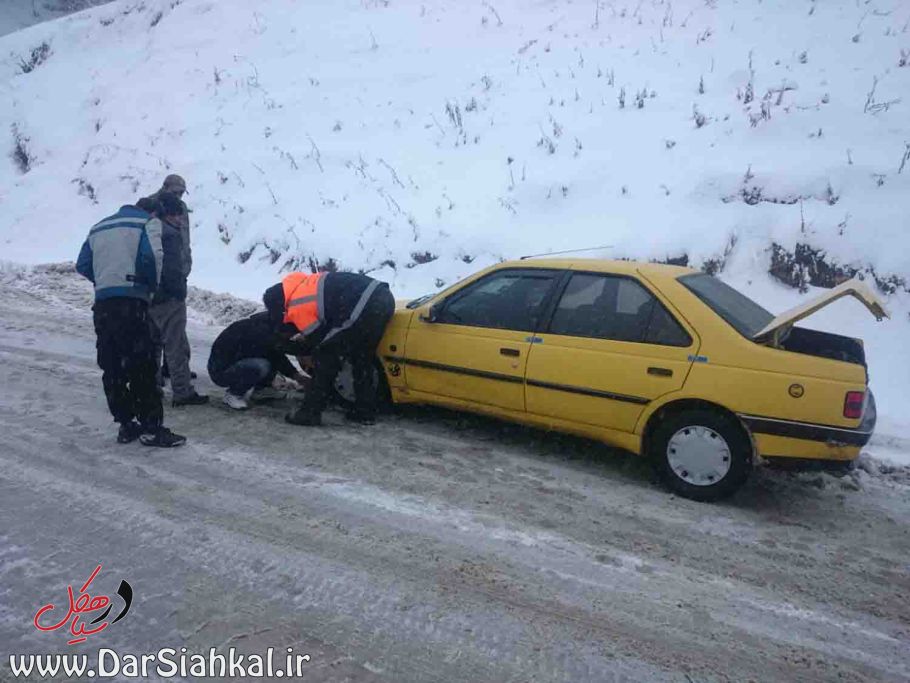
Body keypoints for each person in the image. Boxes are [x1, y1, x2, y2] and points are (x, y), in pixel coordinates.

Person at [75, 202, 187, 447]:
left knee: (112, 366)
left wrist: (106, 281)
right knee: (143, 365)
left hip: (104, 305)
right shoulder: (147, 223)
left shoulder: (98, 227)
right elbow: (152, 256)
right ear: (154, 212)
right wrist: (148, 287)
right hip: (133, 303)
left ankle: (126, 425)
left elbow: (82, 264)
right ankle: (151, 428)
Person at [264, 271, 395, 426]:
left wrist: (290, 346)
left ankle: (310, 412)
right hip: (382, 298)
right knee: (361, 356)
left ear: (278, 305)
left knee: (326, 356)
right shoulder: (304, 285)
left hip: (363, 304)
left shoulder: (297, 305)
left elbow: (318, 342)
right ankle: (364, 410)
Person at [145, 193, 208, 407]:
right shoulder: (170, 235)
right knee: (176, 345)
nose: (181, 220)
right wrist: (179, 290)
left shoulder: (149, 231)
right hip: (170, 298)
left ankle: (152, 387)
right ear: (171, 215)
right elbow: (172, 268)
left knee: (152, 345)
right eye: (179, 215)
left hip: (150, 297)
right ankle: (182, 391)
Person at [142, 174, 195, 382]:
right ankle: (171, 375)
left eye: (182, 193)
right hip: (160, 275)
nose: (179, 196)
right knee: (165, 330)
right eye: (176, 192)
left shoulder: (180, 208)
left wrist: (186, 263)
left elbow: (185, 238)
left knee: (175, 328)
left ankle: (173, 369)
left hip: (177, 269)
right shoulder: (152, 206)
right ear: (164, 187)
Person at [208, 312, 310, 410]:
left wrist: (295, 375)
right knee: (261, 365)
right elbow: (276, 356)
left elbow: (276, 354)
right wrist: (296, 375)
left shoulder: (266, 328)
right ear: (282, 329)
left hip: (235, 363)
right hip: (221, 371)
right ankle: (234, 394)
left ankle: (261, 390)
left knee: (268, 359)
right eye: (290, 334)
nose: (290, 337)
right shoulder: (258, 333)